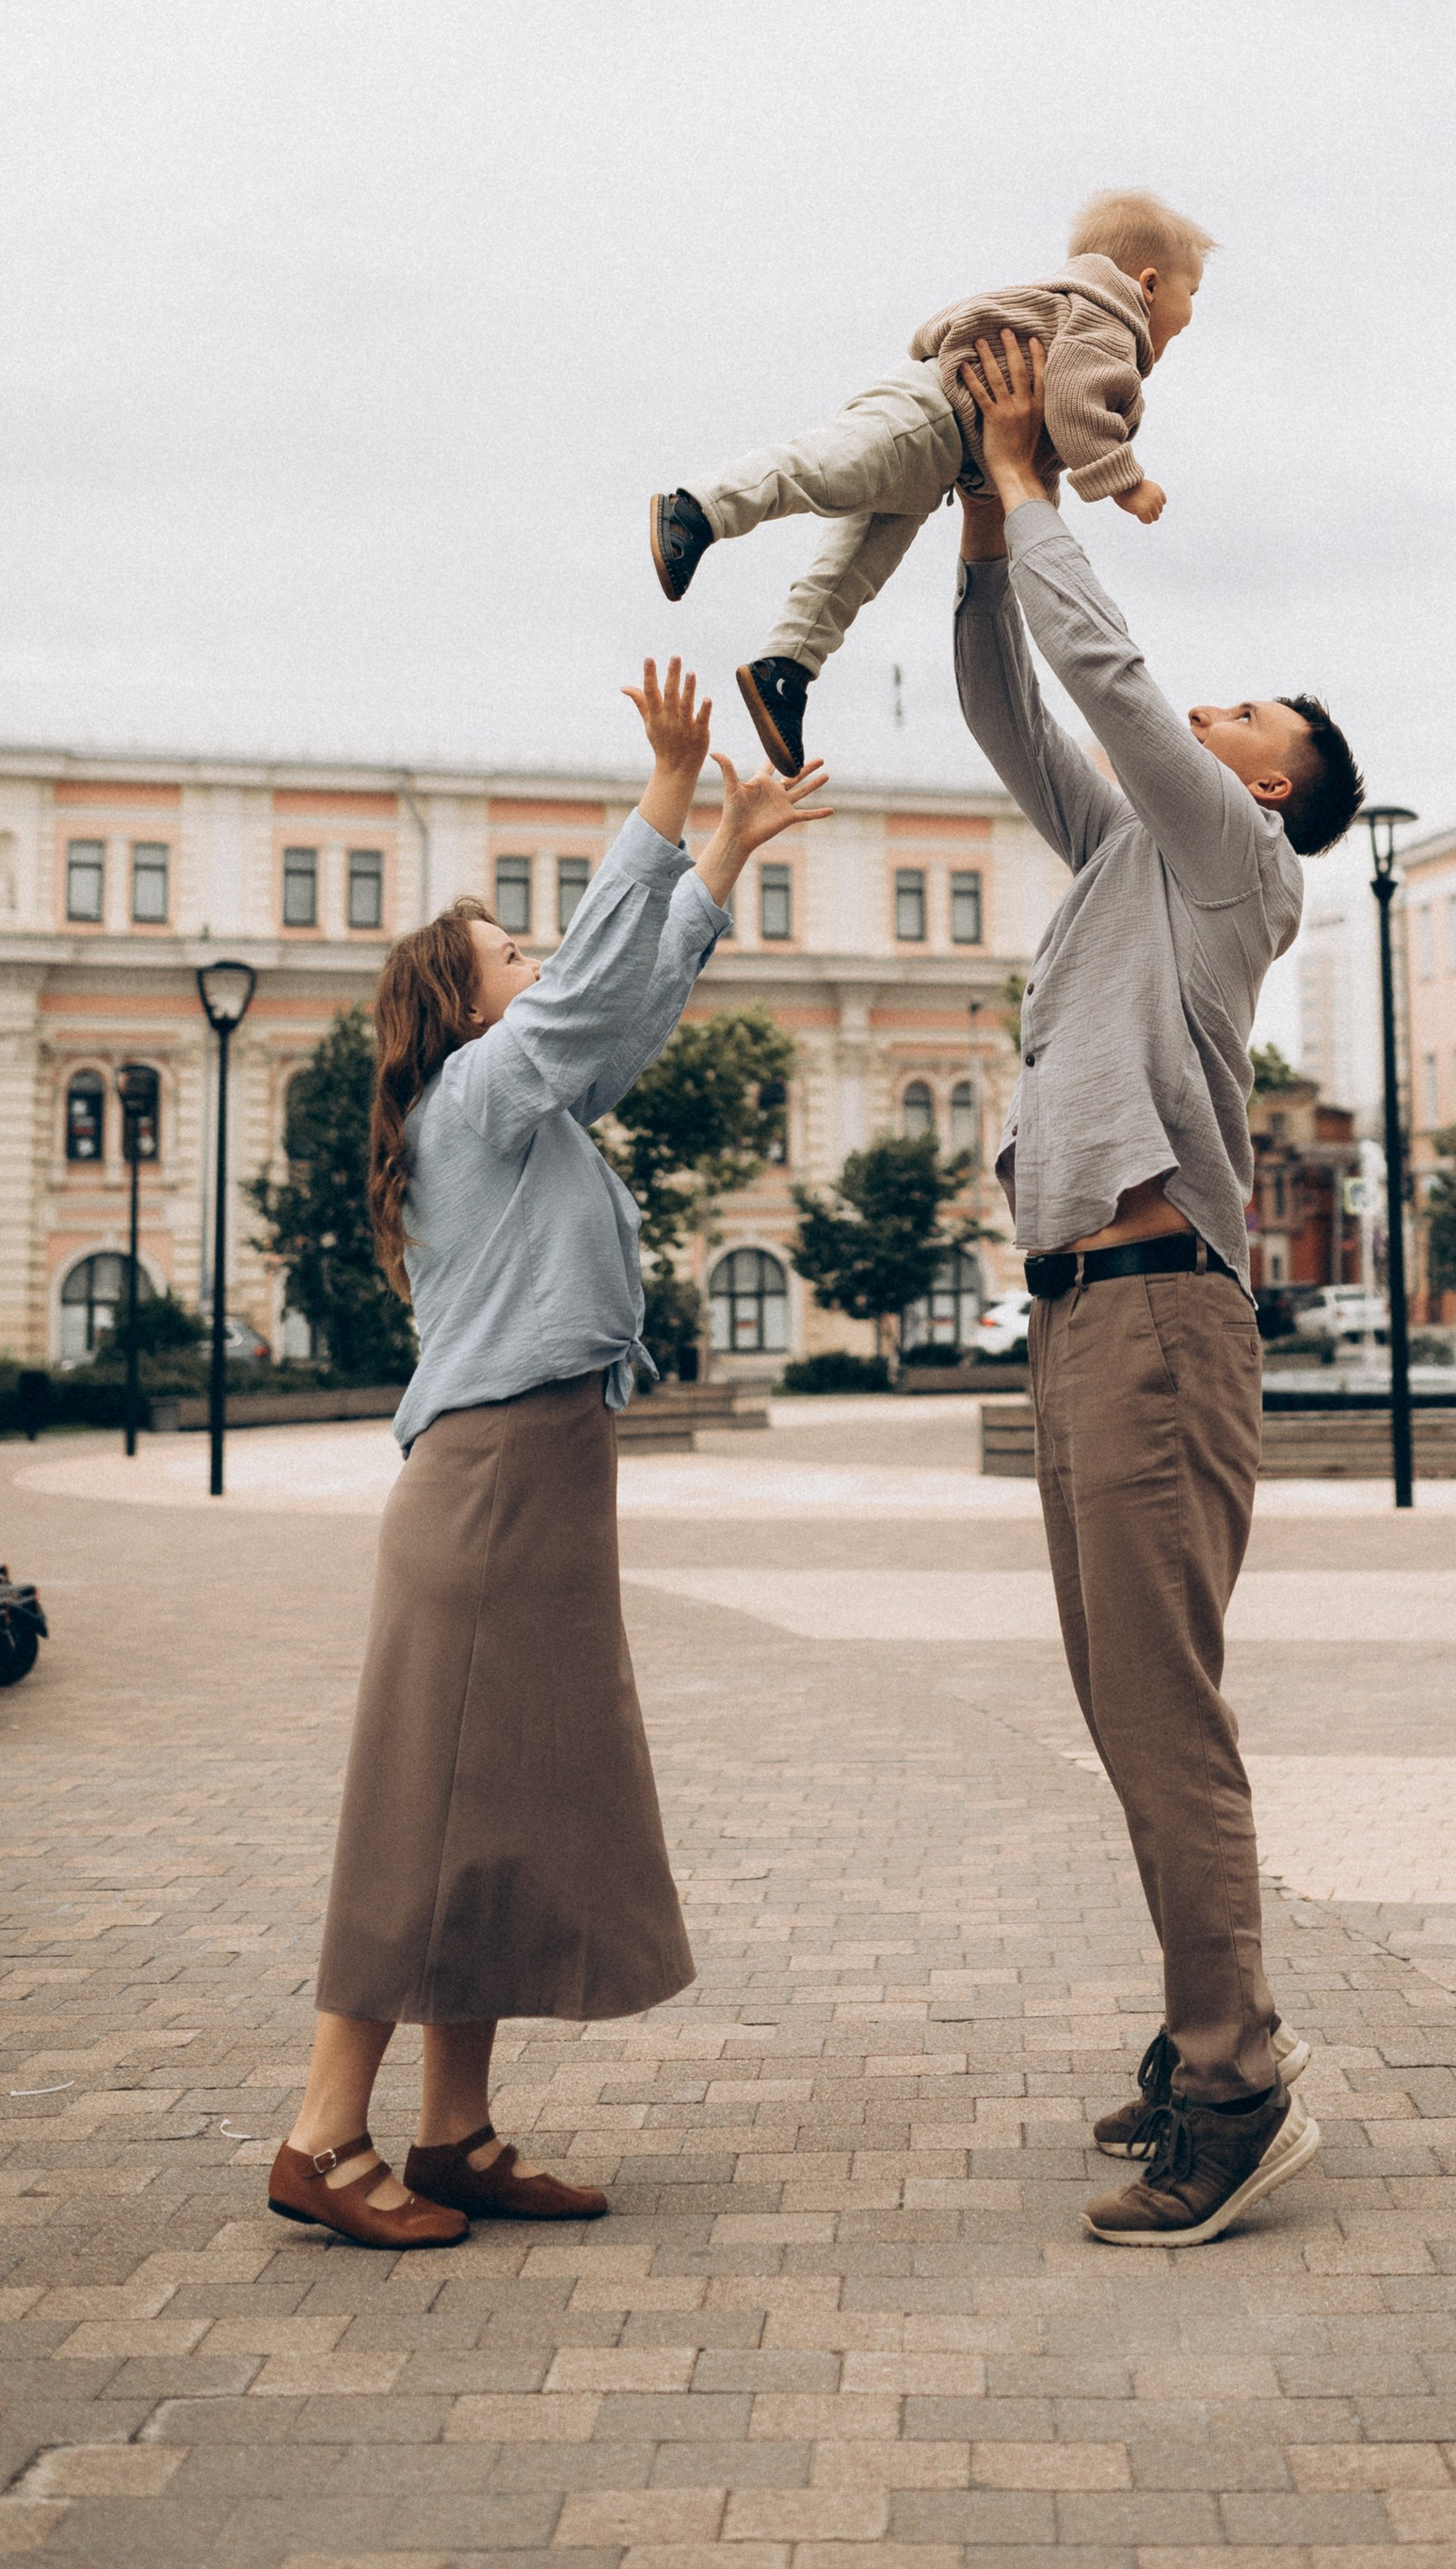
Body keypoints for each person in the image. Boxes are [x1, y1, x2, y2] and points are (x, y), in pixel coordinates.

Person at [267, 661, 828, 2249]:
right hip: (494, 1480)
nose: (538, 960)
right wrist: (664, 792)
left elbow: (621, 1012)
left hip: (543, 1473)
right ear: (463, 1000)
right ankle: (322, 2133)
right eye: (511, 950)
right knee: (420, 1806)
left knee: (498, 1808)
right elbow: (593, 988)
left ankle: (453, 2132)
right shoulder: (477, 1094)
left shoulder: (534, 1106)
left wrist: (721, 854)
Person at [951, 327, 1364, 2250]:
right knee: (1122, 1704)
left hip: (1156, 1315)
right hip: (1080, 1315)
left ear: (1274, 791)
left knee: (1163, 1708)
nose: (1204, 715)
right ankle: (1200, 2036)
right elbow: (1019, 711)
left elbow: (1100, 675)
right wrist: (972, 514)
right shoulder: (1131, 852)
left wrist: (1037, 476)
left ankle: (1237, 2080)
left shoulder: (1229, 863)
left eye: (1241, 714)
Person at [648, 187, 1214, 778]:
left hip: (943, 440)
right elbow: (1074, 406)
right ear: (1147, 284)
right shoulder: (1110, 321)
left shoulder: (1055, 305)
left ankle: (784, 671)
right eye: (1191, 291)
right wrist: (1125, 482)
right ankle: (696, 509)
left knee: (856, 566)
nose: (1192, 310)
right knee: (824, 471)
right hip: (933, 415)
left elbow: (949, 330)